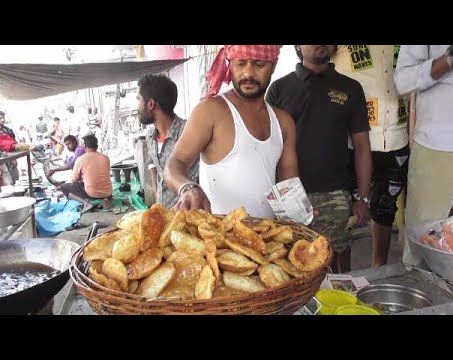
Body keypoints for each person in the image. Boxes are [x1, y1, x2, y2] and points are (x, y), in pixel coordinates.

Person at [266, 45, 372, 273]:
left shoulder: (350, 88)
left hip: (334, 196)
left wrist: (363, 198)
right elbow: (267, 148)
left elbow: (362, 147)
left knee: (336, 265)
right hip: (290, 197)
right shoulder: (278, 89)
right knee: (291, 267)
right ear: (297, 47)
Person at [164, 45, 299, 218]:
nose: (248, 73)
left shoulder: (284, 122)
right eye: (240, 64)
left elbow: (289, 184)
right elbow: (174, 163)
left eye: (259, 65)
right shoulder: (210, 110)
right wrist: (187, 188)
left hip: (267, 238)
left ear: (274, 65)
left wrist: (299, 211)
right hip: (218, 239)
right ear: (230, 64)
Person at [394, 45, 453, 266]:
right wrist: (449, 60)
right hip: (439, 143)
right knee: (423, 243)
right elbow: (403, 81)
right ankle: (420, 295)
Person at [331, 45, 410, 268]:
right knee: (343, 210)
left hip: (396, 137)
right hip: (352, 140)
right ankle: (343, 276)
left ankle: (379, 268)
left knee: (384, 208)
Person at [137, 73, 199, 208]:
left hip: (189, 216)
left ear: (151, 104)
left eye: (139, 99)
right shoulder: (150, 136)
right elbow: (153, 168)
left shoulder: (190, 132)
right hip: (164, 214)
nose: (137, 107)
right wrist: (156, 202)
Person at [60, 134, 112, 214]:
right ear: (96, 145)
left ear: (85, 146)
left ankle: (86, 203)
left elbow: (74, 179)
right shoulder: (105, 158)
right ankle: (104, 199)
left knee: (64, 187)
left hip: (92, 193)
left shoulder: (81, 159)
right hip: (108, 193)